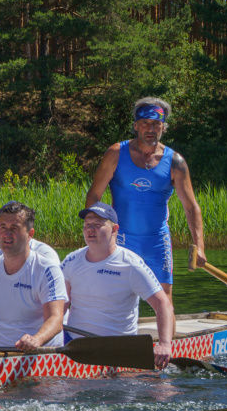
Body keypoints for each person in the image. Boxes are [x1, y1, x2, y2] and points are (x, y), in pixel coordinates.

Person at [85, 96, 205, 300]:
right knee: (116, 298)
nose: (150, 129)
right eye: (145, 123)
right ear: (136, 126)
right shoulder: (116, 153)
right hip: (121, 239)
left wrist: (199, 247)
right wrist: (94, 231)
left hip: (158, 242)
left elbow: (191, 207)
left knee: (164, 301)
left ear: (163, 127)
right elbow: (94, 195)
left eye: (156, 124)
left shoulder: (175, 162)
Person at [60, 202, 175, 369]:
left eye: (97, 225)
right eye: (87, 225)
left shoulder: (131, 264)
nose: (90, 229)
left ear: (114, 229)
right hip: (73, 344)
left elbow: (163, 304)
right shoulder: (71, 260)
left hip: (116, 349)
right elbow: (59, 304)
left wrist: (164, 344)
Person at [0, 201, 68, 351]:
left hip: (38, 351)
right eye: (3, 227)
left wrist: (36, 339)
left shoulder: (47, 269)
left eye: (14, 228)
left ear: (30, 234)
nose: (7, 234)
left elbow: (55, 319)